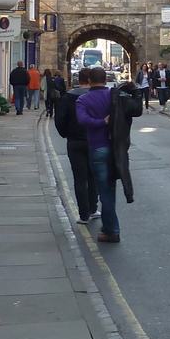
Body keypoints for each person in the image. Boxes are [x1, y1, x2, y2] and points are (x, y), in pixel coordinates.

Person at [72, 67, 123, 241]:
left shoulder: (83, 99)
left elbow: (82, 120)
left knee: (105, 192)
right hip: (116, 149)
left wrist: (100, 122)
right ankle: (109, 226)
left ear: (90, 81)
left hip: (97, 148)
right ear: (105, 80)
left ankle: (112, 230)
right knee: (110, 189)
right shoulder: (114, 96)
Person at [55, 68, 99, 222]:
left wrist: (67, 134)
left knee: (80, 179)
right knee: (92, 176)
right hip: (94, 140)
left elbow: (60, 120)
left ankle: (84, 215)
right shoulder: (95, 97)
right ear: (90, 80)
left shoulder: (67, 98)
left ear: (77, 80)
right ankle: (93, 208)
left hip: (75, 142)